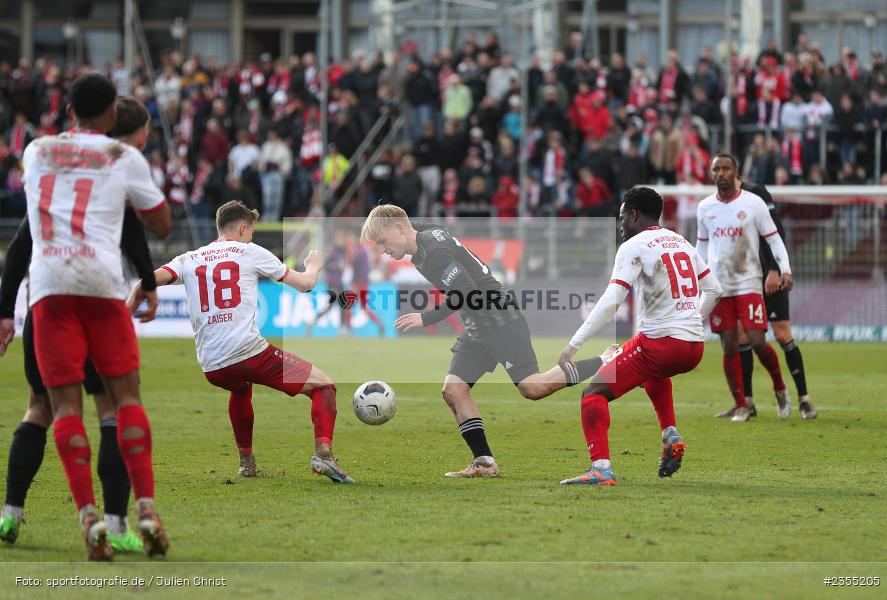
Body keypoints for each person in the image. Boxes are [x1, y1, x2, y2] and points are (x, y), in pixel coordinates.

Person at [17, 73, 172, 560]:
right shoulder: (123, 157)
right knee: (125, 399)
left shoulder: (36, 151)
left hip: (48, 289)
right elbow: (160, 223)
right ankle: (144, 507)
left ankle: (88, 515)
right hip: (103, 287)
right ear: (112, 114)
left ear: (68, 113)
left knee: (63, 408)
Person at [360, 205, 609, 478]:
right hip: (477, 326)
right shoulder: (425, 234)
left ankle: (606, 362)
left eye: (382, 241)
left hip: (501, 320)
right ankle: (484, 463)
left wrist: (427, 318)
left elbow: (466, 292)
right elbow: (413, 224)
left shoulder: (435, 254)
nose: (382, 249)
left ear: (399, 229)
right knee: (453, 390)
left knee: (533, 388)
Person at [129, 200, 353, 484]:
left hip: (212, 367)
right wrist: (314, 266)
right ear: (243, 228)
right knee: (324, 385)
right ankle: (323, 454)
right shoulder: (249, 252)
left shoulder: (189, 258)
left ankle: (246, 462)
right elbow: (305, 284)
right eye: (251, 232)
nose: (251, 238)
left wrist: (125, 314)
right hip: (249, 353)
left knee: (240, 387)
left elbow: (145, 281)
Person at [557, 188, 722, 485]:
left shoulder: (635, 245)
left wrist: (574, 344)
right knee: (652, 373)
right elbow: (714, 289)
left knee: (592, 395)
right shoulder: (680, 241)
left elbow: (612, 300)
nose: (620, 224)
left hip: (660, 345)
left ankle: (600, 468)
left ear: (633, 215)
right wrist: (692, 321)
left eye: (622, 217)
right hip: (694, 347)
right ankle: (670, 434)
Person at [697, 154, 793, 422]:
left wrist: (785, 269)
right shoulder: (705, 207)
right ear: (711, 173)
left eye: (726, 168)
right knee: (728, 345)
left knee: (757, 341)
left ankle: (780, 387)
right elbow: (702, 247)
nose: (721, 173)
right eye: (716, 169)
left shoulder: (754, 203)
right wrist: (696, 278)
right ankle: (741, 404)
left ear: (736, 171)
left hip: (749, 281)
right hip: (719, 285)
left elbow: (774, 239)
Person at [734, 181, 817, 419]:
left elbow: (776, 230)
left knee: (782, 333)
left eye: (724, 169)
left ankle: (804, 399)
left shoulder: (756, 192)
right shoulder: (718, 203)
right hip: (746, 278)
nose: (720, 175)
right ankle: (747, 402)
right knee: (742, 335)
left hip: (770, 274)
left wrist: (775, 268)